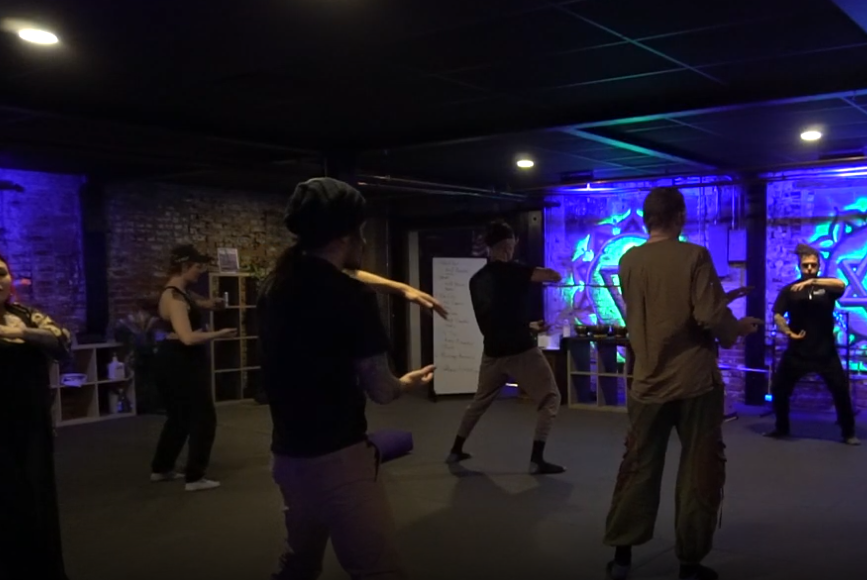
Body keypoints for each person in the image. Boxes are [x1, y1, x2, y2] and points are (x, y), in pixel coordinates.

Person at [258, 177, 435, 580]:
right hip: (339, 461)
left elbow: (335, 275)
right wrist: (407, 383)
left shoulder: (274, 286)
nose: (366, 241)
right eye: (362, 231)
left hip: (287, 456)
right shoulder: (350, 298)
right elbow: (382, 390)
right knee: (379, 570)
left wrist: (398, 287)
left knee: (298, 565)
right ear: (346, 235)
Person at [602, 188, 761, 580]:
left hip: (646, 384)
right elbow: (707, 316)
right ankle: (690, 564)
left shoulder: (628, 261)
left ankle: (622, 556)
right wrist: (736, 328)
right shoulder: (695, 256)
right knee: (698, 471)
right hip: (695, 385)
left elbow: (654, 311)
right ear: (679, 216)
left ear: (646, 219)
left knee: (637, 466)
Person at [0, 245, 74, 580]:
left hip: (31, 433)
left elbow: (62, 342)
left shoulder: (27, 316)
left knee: (33, 510)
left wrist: (19, 333)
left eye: (1, 272)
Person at [445, 219, 567, 475]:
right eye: (512, 246)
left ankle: (456, 449)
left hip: (492, 352)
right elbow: (554, 276)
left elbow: (499, 314)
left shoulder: (476, 280)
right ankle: (537, 459)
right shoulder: (515, 271)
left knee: (479, 402)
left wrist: (529, 325)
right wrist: (547, 272)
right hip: (521, 351)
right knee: (551, 398)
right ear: (508, 246)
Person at [149, 244, 237, 491]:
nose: (201, 272)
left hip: (178, 360)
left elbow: (203, 304)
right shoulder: (175, 297)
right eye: (198, 267)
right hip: (180, 362)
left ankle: (162, 467)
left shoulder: (183, 292)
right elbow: (187, 337)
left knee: (179, 417)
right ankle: (195, 477)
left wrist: (214, 304)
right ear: (184, 266)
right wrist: (219, 333)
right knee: (204, 418)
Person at [768, 243, 859, 445]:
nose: (809, 269)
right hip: (798, 352)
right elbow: (777, 316)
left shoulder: (827, 288)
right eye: (805, 266)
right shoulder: (789, 290)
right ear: (799, 267)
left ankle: (848, 432)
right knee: (779, 389)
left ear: (818, 266)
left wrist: (813, 283)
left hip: (825, 352)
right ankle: (781, 427)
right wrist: (787, 331)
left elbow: (841, 285)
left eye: (813, 265)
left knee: (841, 392)